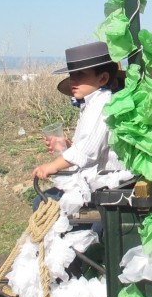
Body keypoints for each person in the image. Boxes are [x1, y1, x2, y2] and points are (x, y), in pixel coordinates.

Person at [32, 41, 129, 209]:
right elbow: (90, 146)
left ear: (103, 78)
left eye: (81, 75)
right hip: (96, 183)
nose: (73, 80)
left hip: (108, 187)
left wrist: (52, 166)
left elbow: (87, 152)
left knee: (43, 203)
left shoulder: (103, 103)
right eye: (72, 75)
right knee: (42, 202)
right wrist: (67, 146)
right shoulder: (91, 103)